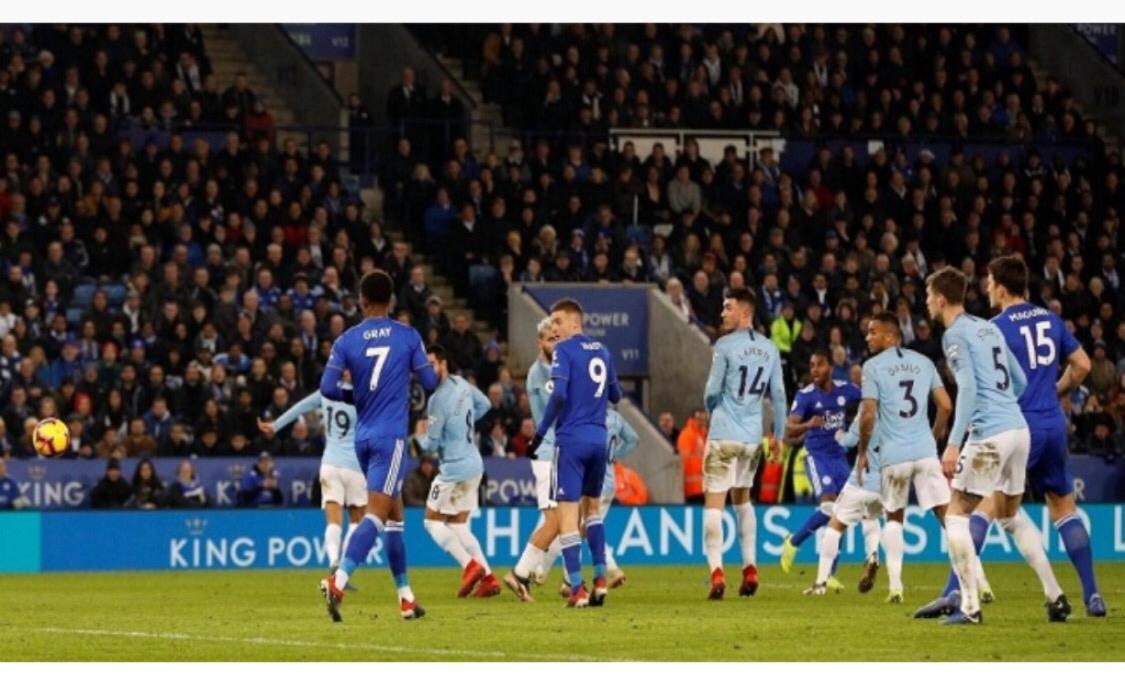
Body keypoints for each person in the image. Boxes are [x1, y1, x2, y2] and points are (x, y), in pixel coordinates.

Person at [922, 255, 1105, 617]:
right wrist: (1056, 391)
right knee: (1063, 509)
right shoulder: (1050, 319)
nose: (987, 288)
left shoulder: (993, 326)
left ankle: (957, 595)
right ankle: (1092, 595)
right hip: (1053, 424)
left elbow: (980, 385)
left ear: (1001, 287)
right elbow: (1083, 364)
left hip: (1009, 423)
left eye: (990, 283)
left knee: (978, 509)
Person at [319, 269, 438, 622]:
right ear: (391, 301)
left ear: (361, 300)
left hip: (364, 438)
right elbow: (429, 381)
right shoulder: (407, 336)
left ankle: (405, 598)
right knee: (375, 513)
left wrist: (356, 396)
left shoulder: (346, 341)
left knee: (395, 517)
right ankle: (337, 581)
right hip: (391, 438)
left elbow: (327, 388)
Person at [850, 312, 962, 602]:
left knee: (895, 518)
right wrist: (935, 434)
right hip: (925, 452)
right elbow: (947, 406)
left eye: (873, 332)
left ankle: (896, 588)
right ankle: (977, 581)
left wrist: (863, 451)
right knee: (948, 516)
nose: (867, 337)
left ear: (891, 336)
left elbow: (868, 415)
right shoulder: (924, 363)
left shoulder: (872, 367)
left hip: (894, 456)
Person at [527, 298, 621, 608]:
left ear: (574, 323)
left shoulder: (564, 352)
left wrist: (539, 434)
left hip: (570, 440)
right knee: (591, 510)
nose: (553, 328)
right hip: (598, 439)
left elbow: (559, 397)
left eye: (557, 321)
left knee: (567, 514)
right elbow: (616, 395)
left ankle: (578, 588)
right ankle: (600, 579)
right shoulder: (604, 352)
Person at [702, 287, 786, 600]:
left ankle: (717, 572)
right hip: (753, 439)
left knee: (714, 505)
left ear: (745, 313)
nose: (722, 313)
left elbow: (712, 390)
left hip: (724, 433)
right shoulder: (769, 348)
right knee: (743, 500)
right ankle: (750, 567)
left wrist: (713, 410)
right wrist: (777, 435)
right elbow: (778, 395)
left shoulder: (724, 345)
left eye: (728, 308)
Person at [413, 344, 499, 598]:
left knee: (431, 522)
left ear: (443, 363)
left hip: (453, 469)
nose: (427, 371)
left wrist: (418, 437)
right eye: (424, 367)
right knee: (460, 526)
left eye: (431, 365)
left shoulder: (436, 400)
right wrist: (462, 427)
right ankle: (489, 579)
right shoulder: (461, 383)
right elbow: (483, 404)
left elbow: (433, 443)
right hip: (475, 465)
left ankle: (470, 566)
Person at [259, 377, 366, 575]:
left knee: (333, 519)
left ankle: (333, 559)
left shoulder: (327, 389)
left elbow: (300, 407)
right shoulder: (364, 391)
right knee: (358, 519)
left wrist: (275, 425)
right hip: (355, 466)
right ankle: (343, 568)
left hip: (329, 464)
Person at [779, 350, 862, 591]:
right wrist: (808, 424)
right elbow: (790, 429)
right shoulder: (805, 396)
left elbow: (870, 398)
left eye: (819, 365)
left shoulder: (845, 389)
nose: (814, 369)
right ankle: (793, 543)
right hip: (817, 457)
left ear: (830, 367)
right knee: (829, 507)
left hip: (839, 456)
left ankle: (830, 574)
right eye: (812, 365)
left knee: (843, 511)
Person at [505, 317, 563, 601]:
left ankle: (529, 572)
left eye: (558, 338)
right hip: (548, 452)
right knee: (556, 523)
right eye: (551, 339)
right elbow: (559, 407)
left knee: (561, 521)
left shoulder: (558, 369)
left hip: (558, 453)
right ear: (539, 342)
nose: (556, 343)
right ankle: (521, 573)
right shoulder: (539, 374)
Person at [557, 407, 639, 595]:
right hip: (609, 483)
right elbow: (634, 439)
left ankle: (573, 580)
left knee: (575, 529)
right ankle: (593, 574)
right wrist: (612, 456)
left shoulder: (585, 416)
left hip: (590, 482)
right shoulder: (616, 418)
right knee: (590, 528)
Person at [803, 417, 884, 596]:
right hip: (886, 480)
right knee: (871, 517)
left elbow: (851, 440)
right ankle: (873, 556)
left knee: (835, 525)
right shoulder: (896, 406)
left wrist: (839, 435)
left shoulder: (868, 407)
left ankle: (820, 583)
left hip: (862, 479)